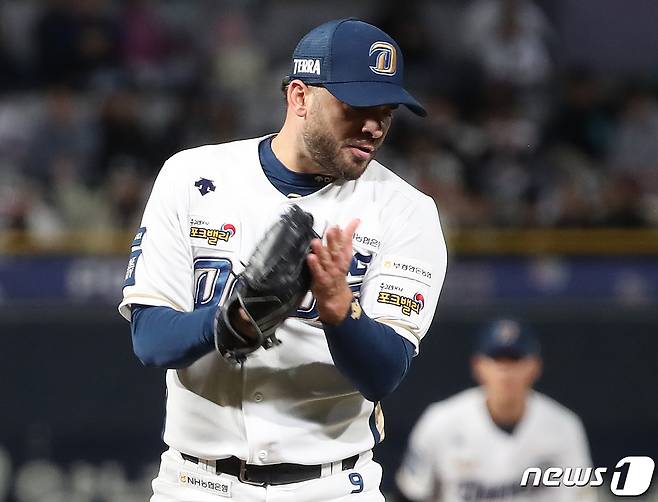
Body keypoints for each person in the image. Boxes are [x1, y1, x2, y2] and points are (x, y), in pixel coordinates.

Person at [118, 18, 447, 502]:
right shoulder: (191, 176)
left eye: (387, 110)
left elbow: (386, 372)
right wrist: (225, 322)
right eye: (357, 107)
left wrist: (341, 310)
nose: (374, 126)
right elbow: (149, 339)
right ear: (299, 97)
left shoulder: (406, 211)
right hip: (197, 483)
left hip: (332, 486)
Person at [396, 319, 597, 502]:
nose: (505, 372)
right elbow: (411, 493)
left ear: (535, 366)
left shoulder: (563, 427)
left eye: (514, 360)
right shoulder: (440, 422)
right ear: (478, 366)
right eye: (497, 360)